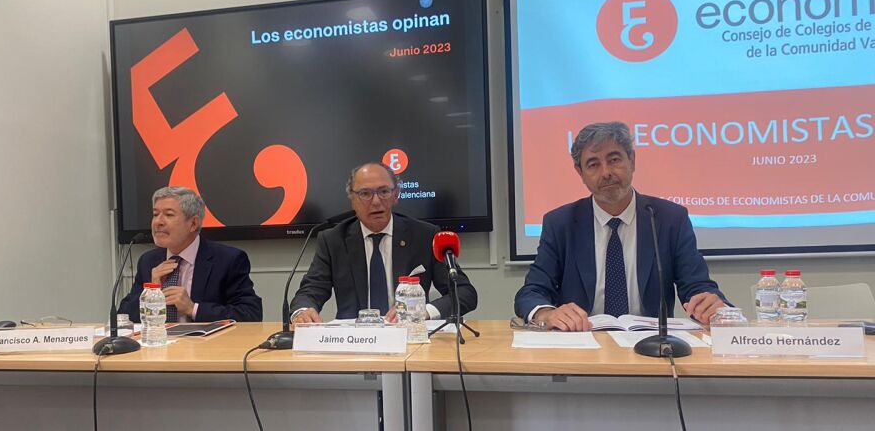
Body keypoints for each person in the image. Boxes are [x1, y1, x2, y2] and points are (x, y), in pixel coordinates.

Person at [514, 122, 728, 331]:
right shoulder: (561, 224)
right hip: (583, 342)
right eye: (593, 164)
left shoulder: (669, 219)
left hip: (650, 345)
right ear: (580, 173)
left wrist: (710, 306)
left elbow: (697, 286)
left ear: (632, 161)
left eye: (614, 160)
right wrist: (546, 313)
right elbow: (532, 291)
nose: (606, 172)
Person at [290, 162, 477, 325]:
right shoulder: (333, 239)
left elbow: (464, 292)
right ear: (352, 200)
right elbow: (311, 290)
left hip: (408, 337)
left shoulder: (424, 235)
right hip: (354, 342)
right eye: (365, 194)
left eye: (384, 192)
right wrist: (302, 312)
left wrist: (424, 311)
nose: (376, 202)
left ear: (396, 195)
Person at [119, 186, 263, 322]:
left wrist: (193, 309)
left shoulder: (227, 259)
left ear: (193, 224)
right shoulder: (148, 261)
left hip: (204, 340)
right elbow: (123, 316)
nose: (158, 222)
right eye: (155, 214)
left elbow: (251, 314)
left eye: (169, 215)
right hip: (158, 339)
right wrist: (151, 292)